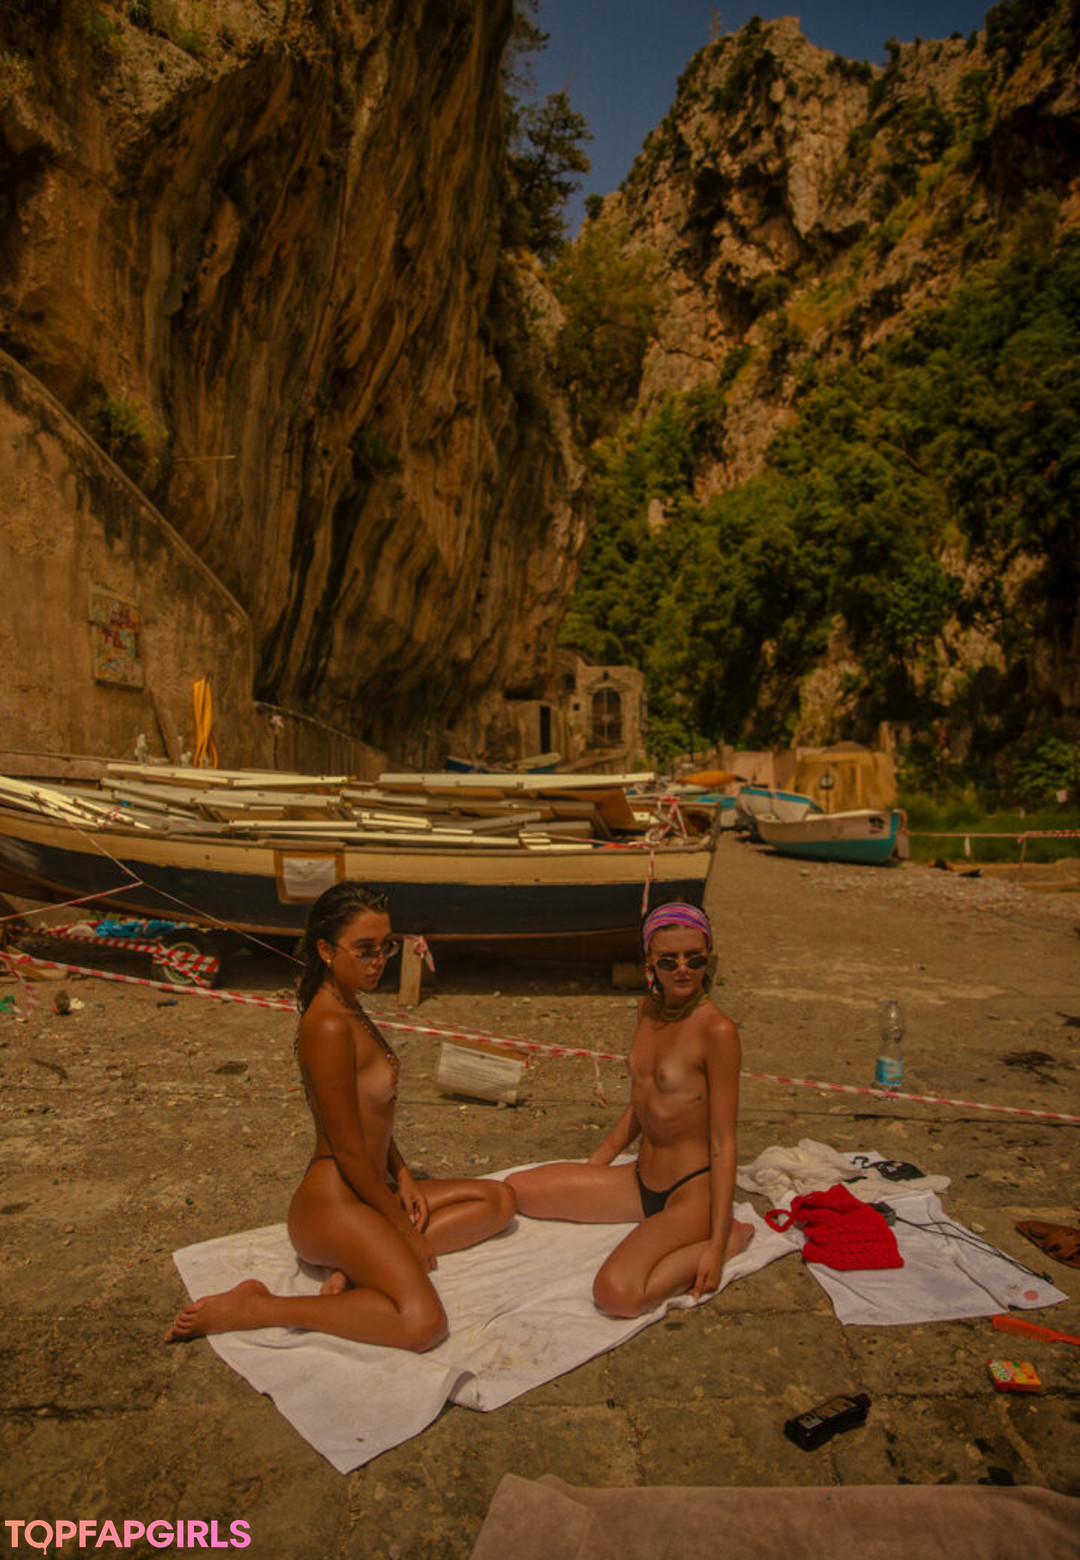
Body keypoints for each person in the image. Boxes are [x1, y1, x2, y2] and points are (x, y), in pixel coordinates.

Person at [166, 882, 515, 1350]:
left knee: (498, 1201)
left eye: (386, 947)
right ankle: (259, 1306)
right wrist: (401, 1229)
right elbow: (347, 1145)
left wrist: (403, 1174)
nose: (378, 961)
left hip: (370, 1189)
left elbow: (372, 1117)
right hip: (333, 1202)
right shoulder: (328, 1023)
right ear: (326, 951)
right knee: (423, 1324)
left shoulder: (351, 1006)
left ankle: (356, 1270)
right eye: (365, 949)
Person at [506, 902, 751, 1317]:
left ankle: (733, 1239)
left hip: (692, 1191)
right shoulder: (648, 1010)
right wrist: (596, 1164)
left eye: (695, 958)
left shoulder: (717, 1030)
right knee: (517, 1190)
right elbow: (644, 1101)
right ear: (649, 962)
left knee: (616, 1294)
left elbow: (724, 1141)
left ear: (708, 957)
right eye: (668, 960)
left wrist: (714, 1243)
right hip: (640, 1180)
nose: (683, 969)